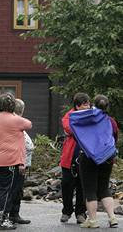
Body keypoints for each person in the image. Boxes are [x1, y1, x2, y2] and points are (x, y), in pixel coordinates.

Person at [0, 93, 32, 230]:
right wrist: (14, 115)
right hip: (9, 162)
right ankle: (1, 219)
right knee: (6, 190)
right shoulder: (16, 120)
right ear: (13, 106)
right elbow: (29, 124)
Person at [73, 95, 119, 228]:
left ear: (94, 105)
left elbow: (78, 137)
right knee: (104, 188)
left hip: (89, 158)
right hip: (107, 157)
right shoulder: (111, 121)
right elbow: (114, 138)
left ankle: (93, 221)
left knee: (90, 189)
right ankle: (112, 218)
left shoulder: (86, 119)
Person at [59, 92, 89, 224]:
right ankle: (67, 211)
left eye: (88, 104)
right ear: (77, 106)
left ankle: (81, 213)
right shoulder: (69, 115)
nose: (88, 106)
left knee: (82, 186)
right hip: (69, 157)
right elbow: (69, 128)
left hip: (85, 157)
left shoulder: (91, 115)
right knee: (66, 184)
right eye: (85, 104)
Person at [9, 99, 34, 225]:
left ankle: (14, 213)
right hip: (18, 163)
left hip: (21, 163)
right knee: (15, 189)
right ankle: (12, 214)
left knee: (17, 190)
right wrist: (21, 162)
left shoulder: (16, 123)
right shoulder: (17, 123)